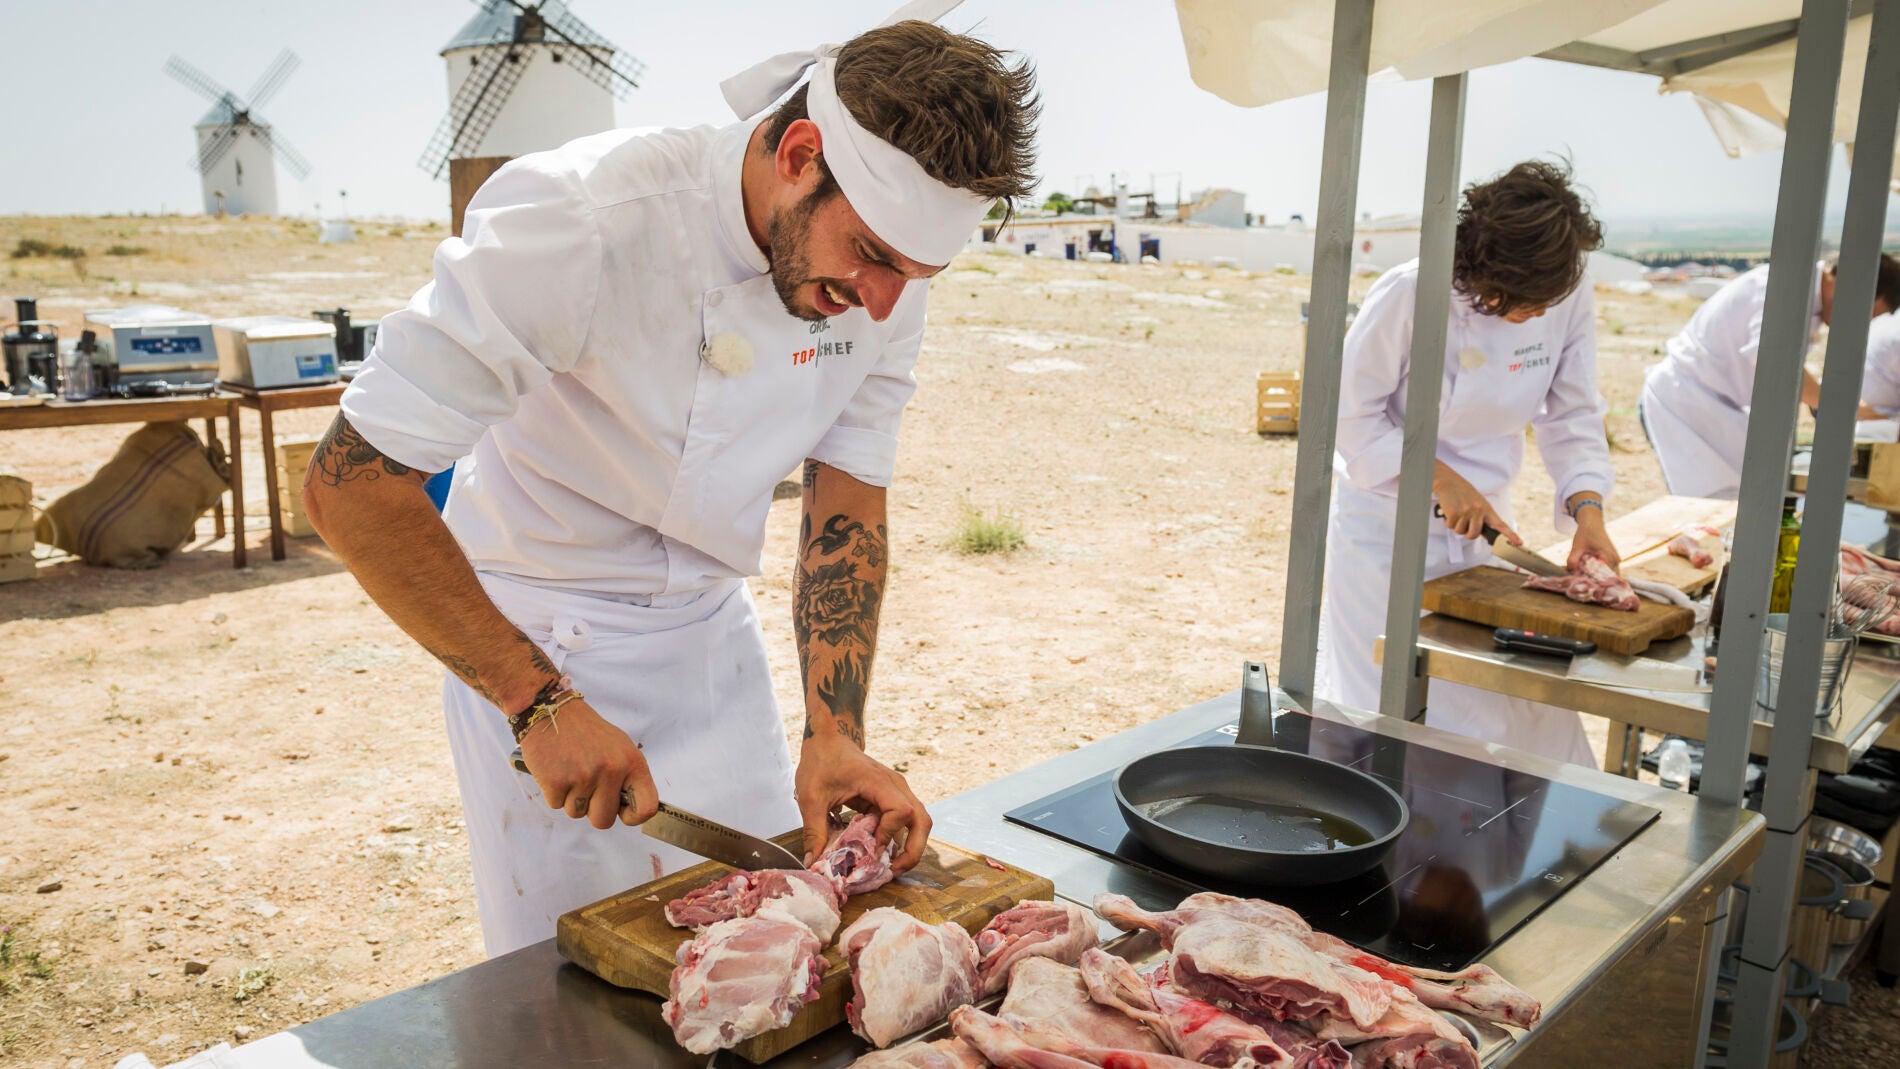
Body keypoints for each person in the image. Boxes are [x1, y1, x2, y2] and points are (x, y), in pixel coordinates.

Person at [302, 14, 1039, 956]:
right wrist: (537, 702)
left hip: (712, 643)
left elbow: (847, 498)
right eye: (877, 257)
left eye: (919, 272)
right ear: (800, 152)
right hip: (539, 637)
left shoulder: (883, 274)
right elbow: (348, 488)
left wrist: (835, 729)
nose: (888, 301)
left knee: (775, 955)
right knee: (571, 988)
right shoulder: (579, 220)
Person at [1315, 161, 1614, 765]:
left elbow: (1573, 413)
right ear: (1484, 274)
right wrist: (1436, 474)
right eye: (1522, 302)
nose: (1536, 313)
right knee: (1399, 718)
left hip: (1482, 531)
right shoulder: (1411, 293)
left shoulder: (1565, 290)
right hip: (1385, 530)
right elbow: (1344, 414)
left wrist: (1588, 511)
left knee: (1519, 709)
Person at [1640, 254, 1900, 499]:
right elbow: (1780, 369)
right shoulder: (1788, 288)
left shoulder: (1808, 299)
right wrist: (1846, 406)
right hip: (1684, 401)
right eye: (1867, 314)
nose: (1862, 324)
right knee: (1709, 508)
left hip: (1716, 406)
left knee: (1741, 504)